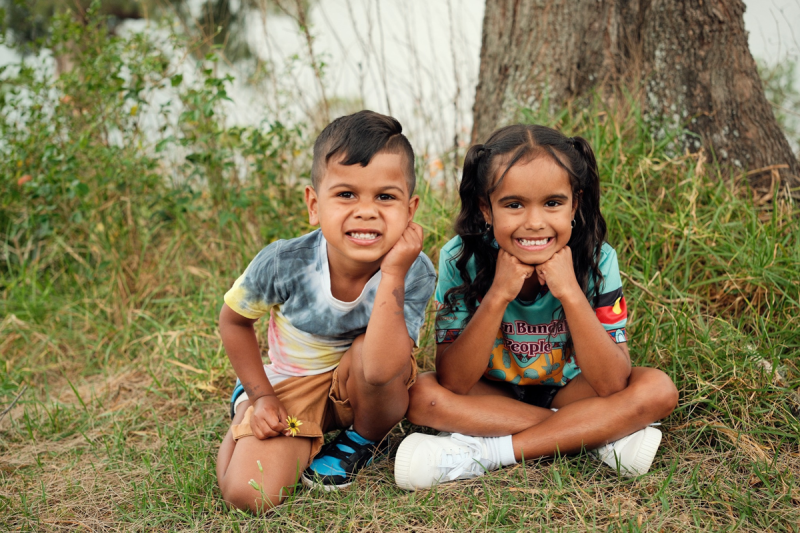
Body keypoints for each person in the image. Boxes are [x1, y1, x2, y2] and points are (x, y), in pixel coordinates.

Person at [394, 124, 678, 490]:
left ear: (574, 203)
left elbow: (611, 382)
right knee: (420, 396)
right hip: (492, 393)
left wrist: (570, 293)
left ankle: (487, 453)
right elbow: (454, 380)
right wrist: (498, 293)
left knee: (657, 389)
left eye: (553, 203)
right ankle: (593, 432)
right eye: (513, 204)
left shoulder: (597, 258)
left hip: (572, 389)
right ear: (486, 208)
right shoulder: (459, 257)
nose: (534, 223)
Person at [216, 110, 436, 512]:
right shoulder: (286, 261)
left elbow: (386, 368)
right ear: (314, 205)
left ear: (410, 208)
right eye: (346, 194)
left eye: (385, 197)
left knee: (377, 354)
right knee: (250, 494)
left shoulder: (415, 270)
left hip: (361, 388)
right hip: (291, 385)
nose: (366, 210)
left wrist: (393, 274)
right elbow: (233, 321)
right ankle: (247, 409)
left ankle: (362, 440)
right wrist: (260, 396)